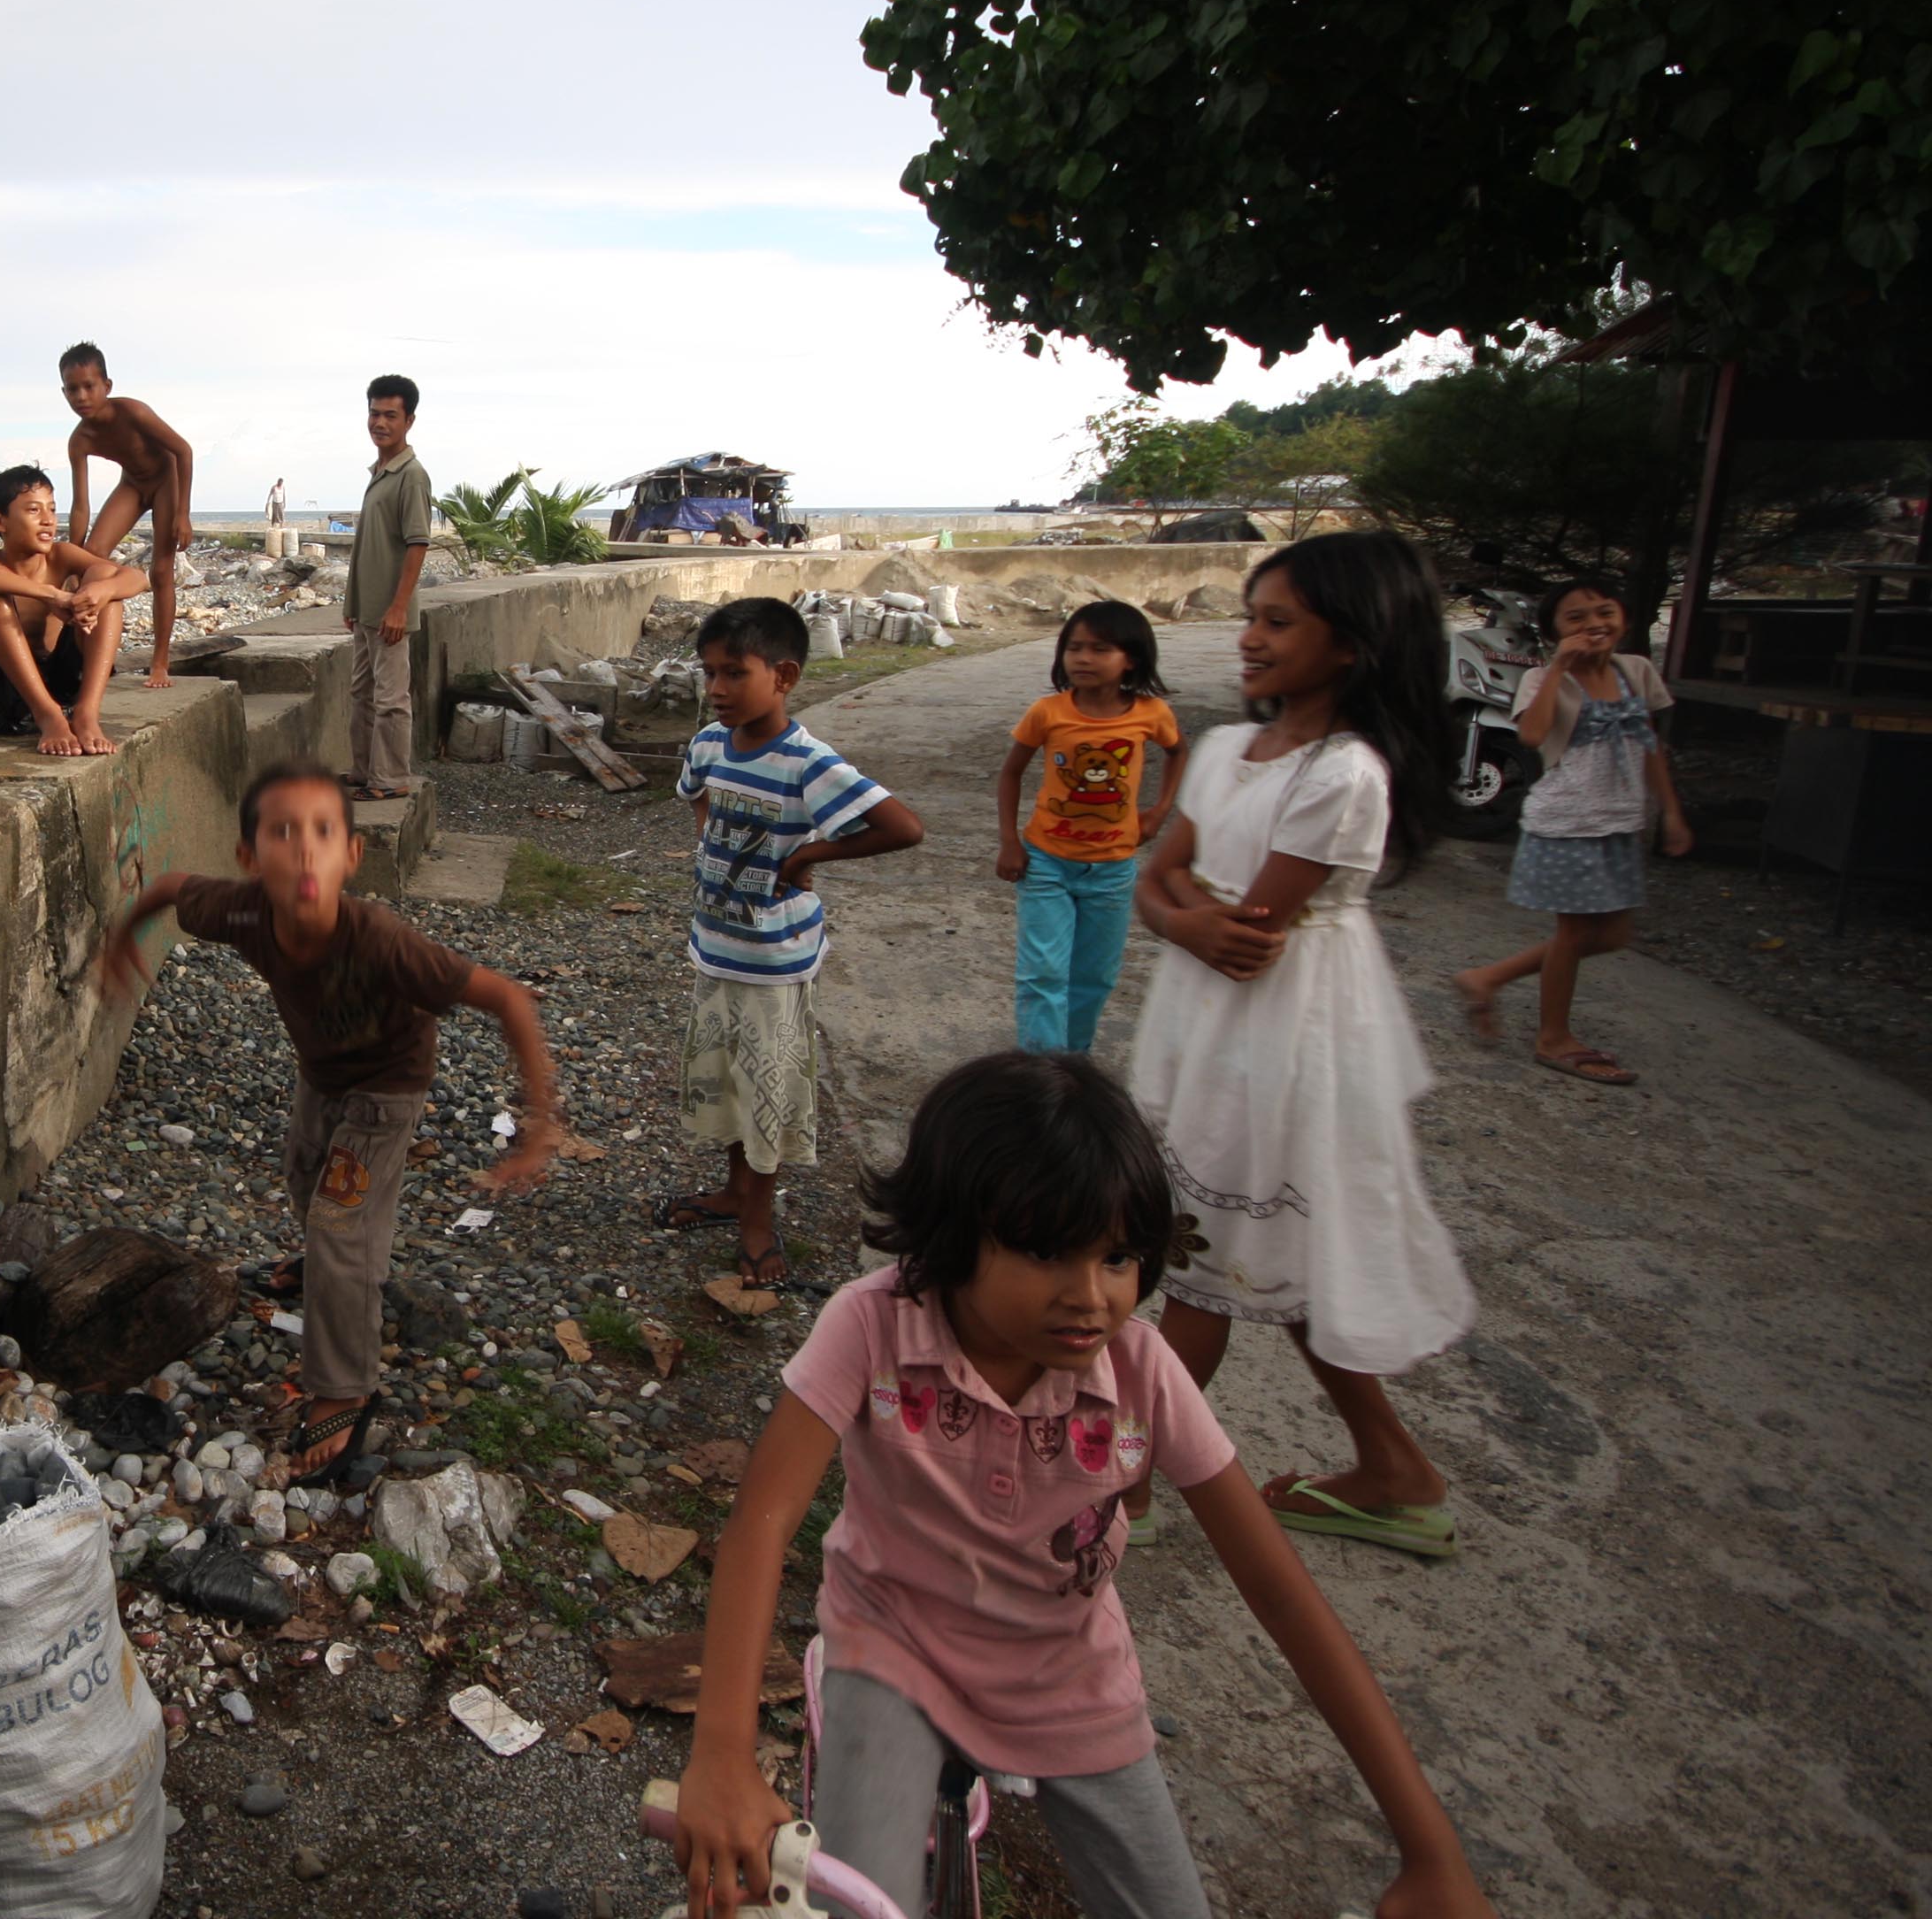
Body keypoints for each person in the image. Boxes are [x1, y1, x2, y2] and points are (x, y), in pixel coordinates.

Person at [667, 1053, 1495, 1919]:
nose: (1092, 1296)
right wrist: (722, 1753)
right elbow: (761, 1524)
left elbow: (1283, 1596)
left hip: (1069, 1673)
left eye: (1118, 1257)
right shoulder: (872, 1326)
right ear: (954, 1232)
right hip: (892, 1648)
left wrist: (1429, 1847)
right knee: (863, 1903)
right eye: (1047, 1252)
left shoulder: (1144, 1373)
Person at [1128, 532, 1473, 1557]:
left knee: (1201, 1262)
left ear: (1354, 644)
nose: (1250, 638)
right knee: (1274, 1252)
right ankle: (1395, 1467)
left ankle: (1118, 1482)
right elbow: (1161, 879)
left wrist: (1187, 913)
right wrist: (1183, 917)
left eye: (1278, 622)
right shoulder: (1228, 750)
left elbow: (1251, 933)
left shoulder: (1345, 775)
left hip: (1283, 1038)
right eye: (1251, 616)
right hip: (1216, 1020)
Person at [96, 761, 571, 1479]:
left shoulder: (381, 939)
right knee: (304, 1177)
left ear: (351, 855)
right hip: (321, 1077)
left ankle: (345, 1386)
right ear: (249, 857)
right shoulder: (241, 910)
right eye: (283, 833)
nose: (304, 851)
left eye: (322, 832)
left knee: (341, 1222)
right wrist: (121, 941)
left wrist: (538, 1128)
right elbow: (166, 887)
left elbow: (508, 999)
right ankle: (330, 1272)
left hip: (387, 1089)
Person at [654, 596, 924, 1288]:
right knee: (726, 1083)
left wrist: (808, 856)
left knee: (766, 1091)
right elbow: (696, 793)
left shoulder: (807, 763)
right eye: (709, 672)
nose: (717, 688)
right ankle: (732, 1193)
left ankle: (758, 1223)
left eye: (734, 673)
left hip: (774, 964)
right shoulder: (709, 745)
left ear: (784, 676)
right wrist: (711, 845)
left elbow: (901, 827)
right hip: (716, 949)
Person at [1451, 578, 1693, 1084]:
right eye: (1576, 618)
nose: (1593, 625)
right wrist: (1559, 667)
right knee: (1576, 932)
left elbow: (1649, 744)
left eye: (1604, 612)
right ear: (1554, 632)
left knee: (1614, 935)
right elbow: (1533, 735)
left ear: (1623, 618)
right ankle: (1553, 1038)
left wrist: (1670, 812)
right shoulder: (1541, 679)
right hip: (1567, 820)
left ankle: (1486, 978)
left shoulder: (1636, 671)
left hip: (1620, 820)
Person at [994, 601, 1185, 1054]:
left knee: (1095, 976)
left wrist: (1160, 810)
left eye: (1100, 649)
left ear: (1131, 658)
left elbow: (1178, 752)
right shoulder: (1048, 712)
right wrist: (1009, 841)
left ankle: (1073, 1061)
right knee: (1042, 973)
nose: (1083, 658)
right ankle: (1044, 1069)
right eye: (1074, 648)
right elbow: (1010, 773)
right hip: (1046, 864)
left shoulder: (1151, 713)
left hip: (1113, 870)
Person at [0, 462, 146, 756]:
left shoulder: (61, 556)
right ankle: (48, 717)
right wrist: (52, 596)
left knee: (105, 581)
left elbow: (137, 578)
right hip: (8, 704)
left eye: (52, 509)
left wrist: (99, 592)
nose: (48, 520)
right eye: (34, 510)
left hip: (65, 692)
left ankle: (86, 714)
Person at [57, 342, 195, 689]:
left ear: (107, 386)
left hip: (167, 481)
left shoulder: (133, 412)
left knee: (160, 570)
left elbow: (183, 450)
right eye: (72, 389)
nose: (81, 396)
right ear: (64, 392)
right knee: (92, 558)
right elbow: (81, 505)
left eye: (89, 386)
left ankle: (159, 662)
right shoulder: (80, 440)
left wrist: (183, 513)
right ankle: (92, 655)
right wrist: (73, 559)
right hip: (132, 485)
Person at [346, 375, 433, 798]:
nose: (379, 423)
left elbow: (418, 544)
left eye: (390, 416)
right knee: (361, 694)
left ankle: (392, 779)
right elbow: (368, 546)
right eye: (374, 413)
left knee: (391, 700)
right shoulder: (380, 472)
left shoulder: (411, 475)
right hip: (366, 609)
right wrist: (351, 603)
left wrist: (398, 607)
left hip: (390, 612)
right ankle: (365, 772)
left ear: (409, 421)